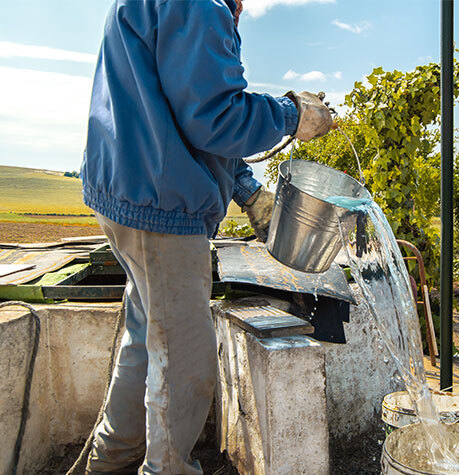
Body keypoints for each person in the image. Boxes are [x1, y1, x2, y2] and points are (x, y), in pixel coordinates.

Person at [80, 0, 333, 473]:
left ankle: (111, 460)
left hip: (131, 193)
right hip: (161, 206)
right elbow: (217, 116)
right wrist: (291, 115)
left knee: (146, 336)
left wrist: (248, 191)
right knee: (184, 363)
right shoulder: (197, 3)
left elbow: (188, 113)